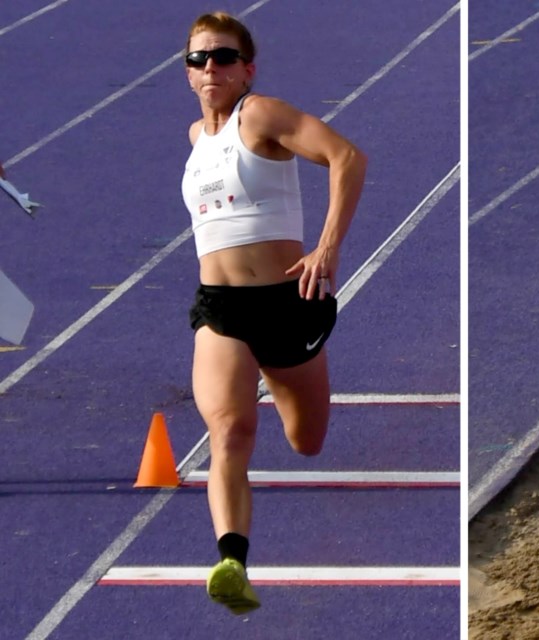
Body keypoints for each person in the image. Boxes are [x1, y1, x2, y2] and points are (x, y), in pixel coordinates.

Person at [180, 12, 366, 614]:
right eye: (199, 58)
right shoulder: (194, 139)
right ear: (188, 72)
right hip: (221, 309)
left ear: (247, 68)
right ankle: (232, 561)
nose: (212, 67)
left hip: (287, 304)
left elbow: (347, 157)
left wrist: (329, 244)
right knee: (231, 431)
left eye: (224, 57)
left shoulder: (258, 116)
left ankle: (272, 374)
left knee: (306, 441)